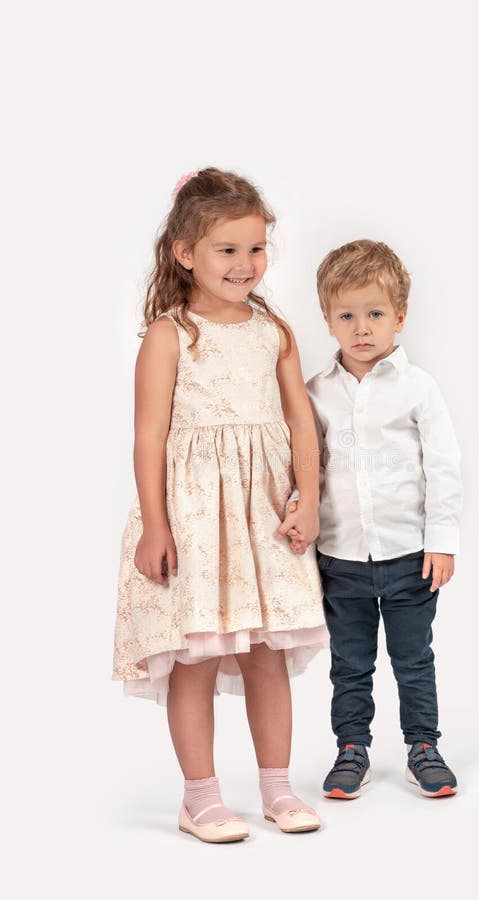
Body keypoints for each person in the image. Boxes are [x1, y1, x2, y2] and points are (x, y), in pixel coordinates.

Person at [113, 167, 329, 843]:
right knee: (197, 656)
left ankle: (276, 788)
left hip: (263, 514)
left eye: (255, 249)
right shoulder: (169, 334)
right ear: (185, 252)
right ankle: (200, 798)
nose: (245, 264)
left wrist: (308, 499)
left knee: (267, 652)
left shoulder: (274, 329)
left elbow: (300, 421)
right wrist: (155, 524)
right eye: (227, 250)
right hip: (196, 518)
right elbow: (148, 434)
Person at [283, 240, 463, 800]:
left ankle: (423, 747)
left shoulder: (418, 389)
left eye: (376, 313)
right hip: (340, 560)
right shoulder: (315, 394)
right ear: (328, 321)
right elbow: (304, 464)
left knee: (413, 659)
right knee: (350, 664)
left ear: (400, 317)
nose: (362, 328)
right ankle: (351, 748)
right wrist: (296, 508)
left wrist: (443, 542)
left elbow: (444, 467)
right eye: (347, 315)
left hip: (410, 556)